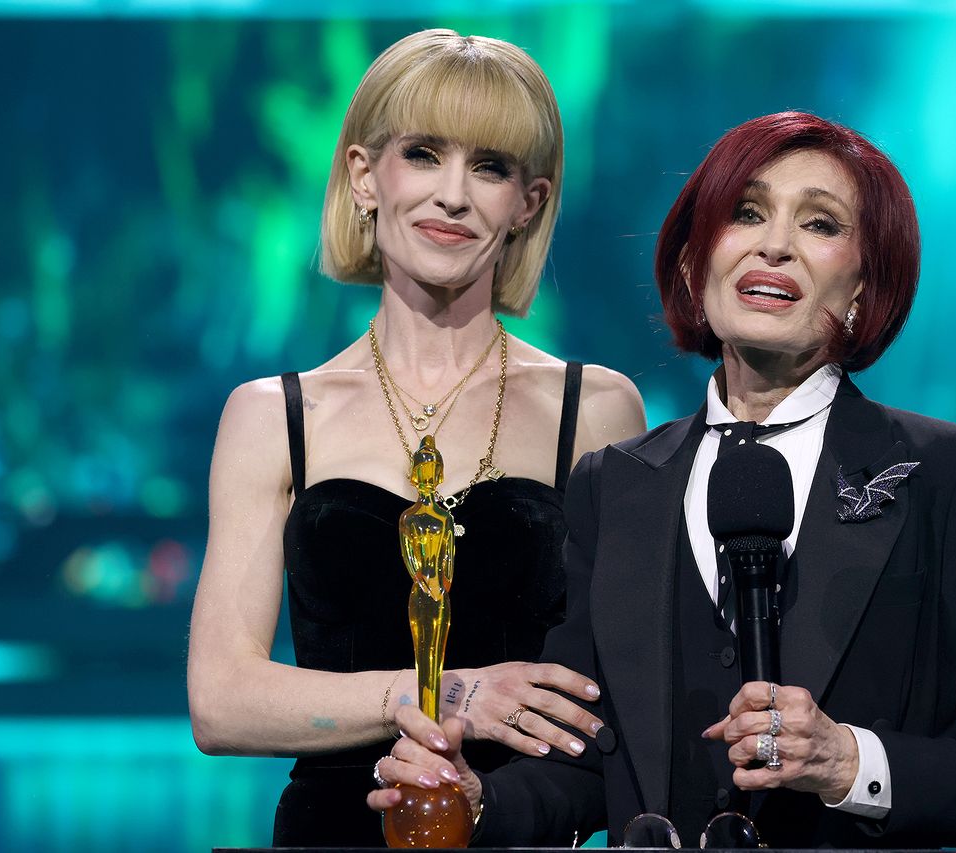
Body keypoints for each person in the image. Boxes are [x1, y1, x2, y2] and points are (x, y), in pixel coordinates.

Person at [372, 111, 956, 849]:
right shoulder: (615, 483)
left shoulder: (954, 478)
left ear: (865, 285)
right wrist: (477, 801)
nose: (775, 244)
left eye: (820, 225)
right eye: (747, 213)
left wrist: (846, 760)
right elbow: (586, 763)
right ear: (696, 265)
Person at [186, 29, 647, 848]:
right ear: (366, 176)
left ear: (529, 203)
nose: (454, 195)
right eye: (424, 154)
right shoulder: (273, 414)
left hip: (520, 827)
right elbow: (221, 700)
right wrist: (445, 693)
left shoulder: (596, 408)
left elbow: (628, 689)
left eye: (492, 167)